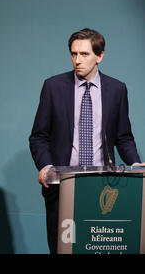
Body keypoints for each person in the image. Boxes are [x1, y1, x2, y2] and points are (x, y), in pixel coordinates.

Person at [29, 28, 144, 253]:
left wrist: (136, 163)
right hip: (62, 186)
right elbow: (39, 136)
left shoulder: (117, 89)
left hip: (101, 187)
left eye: (84, 54)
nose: (77, 60)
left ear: (99, 56)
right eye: (73, 54)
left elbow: (123, 136)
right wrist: (46, 165)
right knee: (62, 248)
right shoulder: (53, 87)